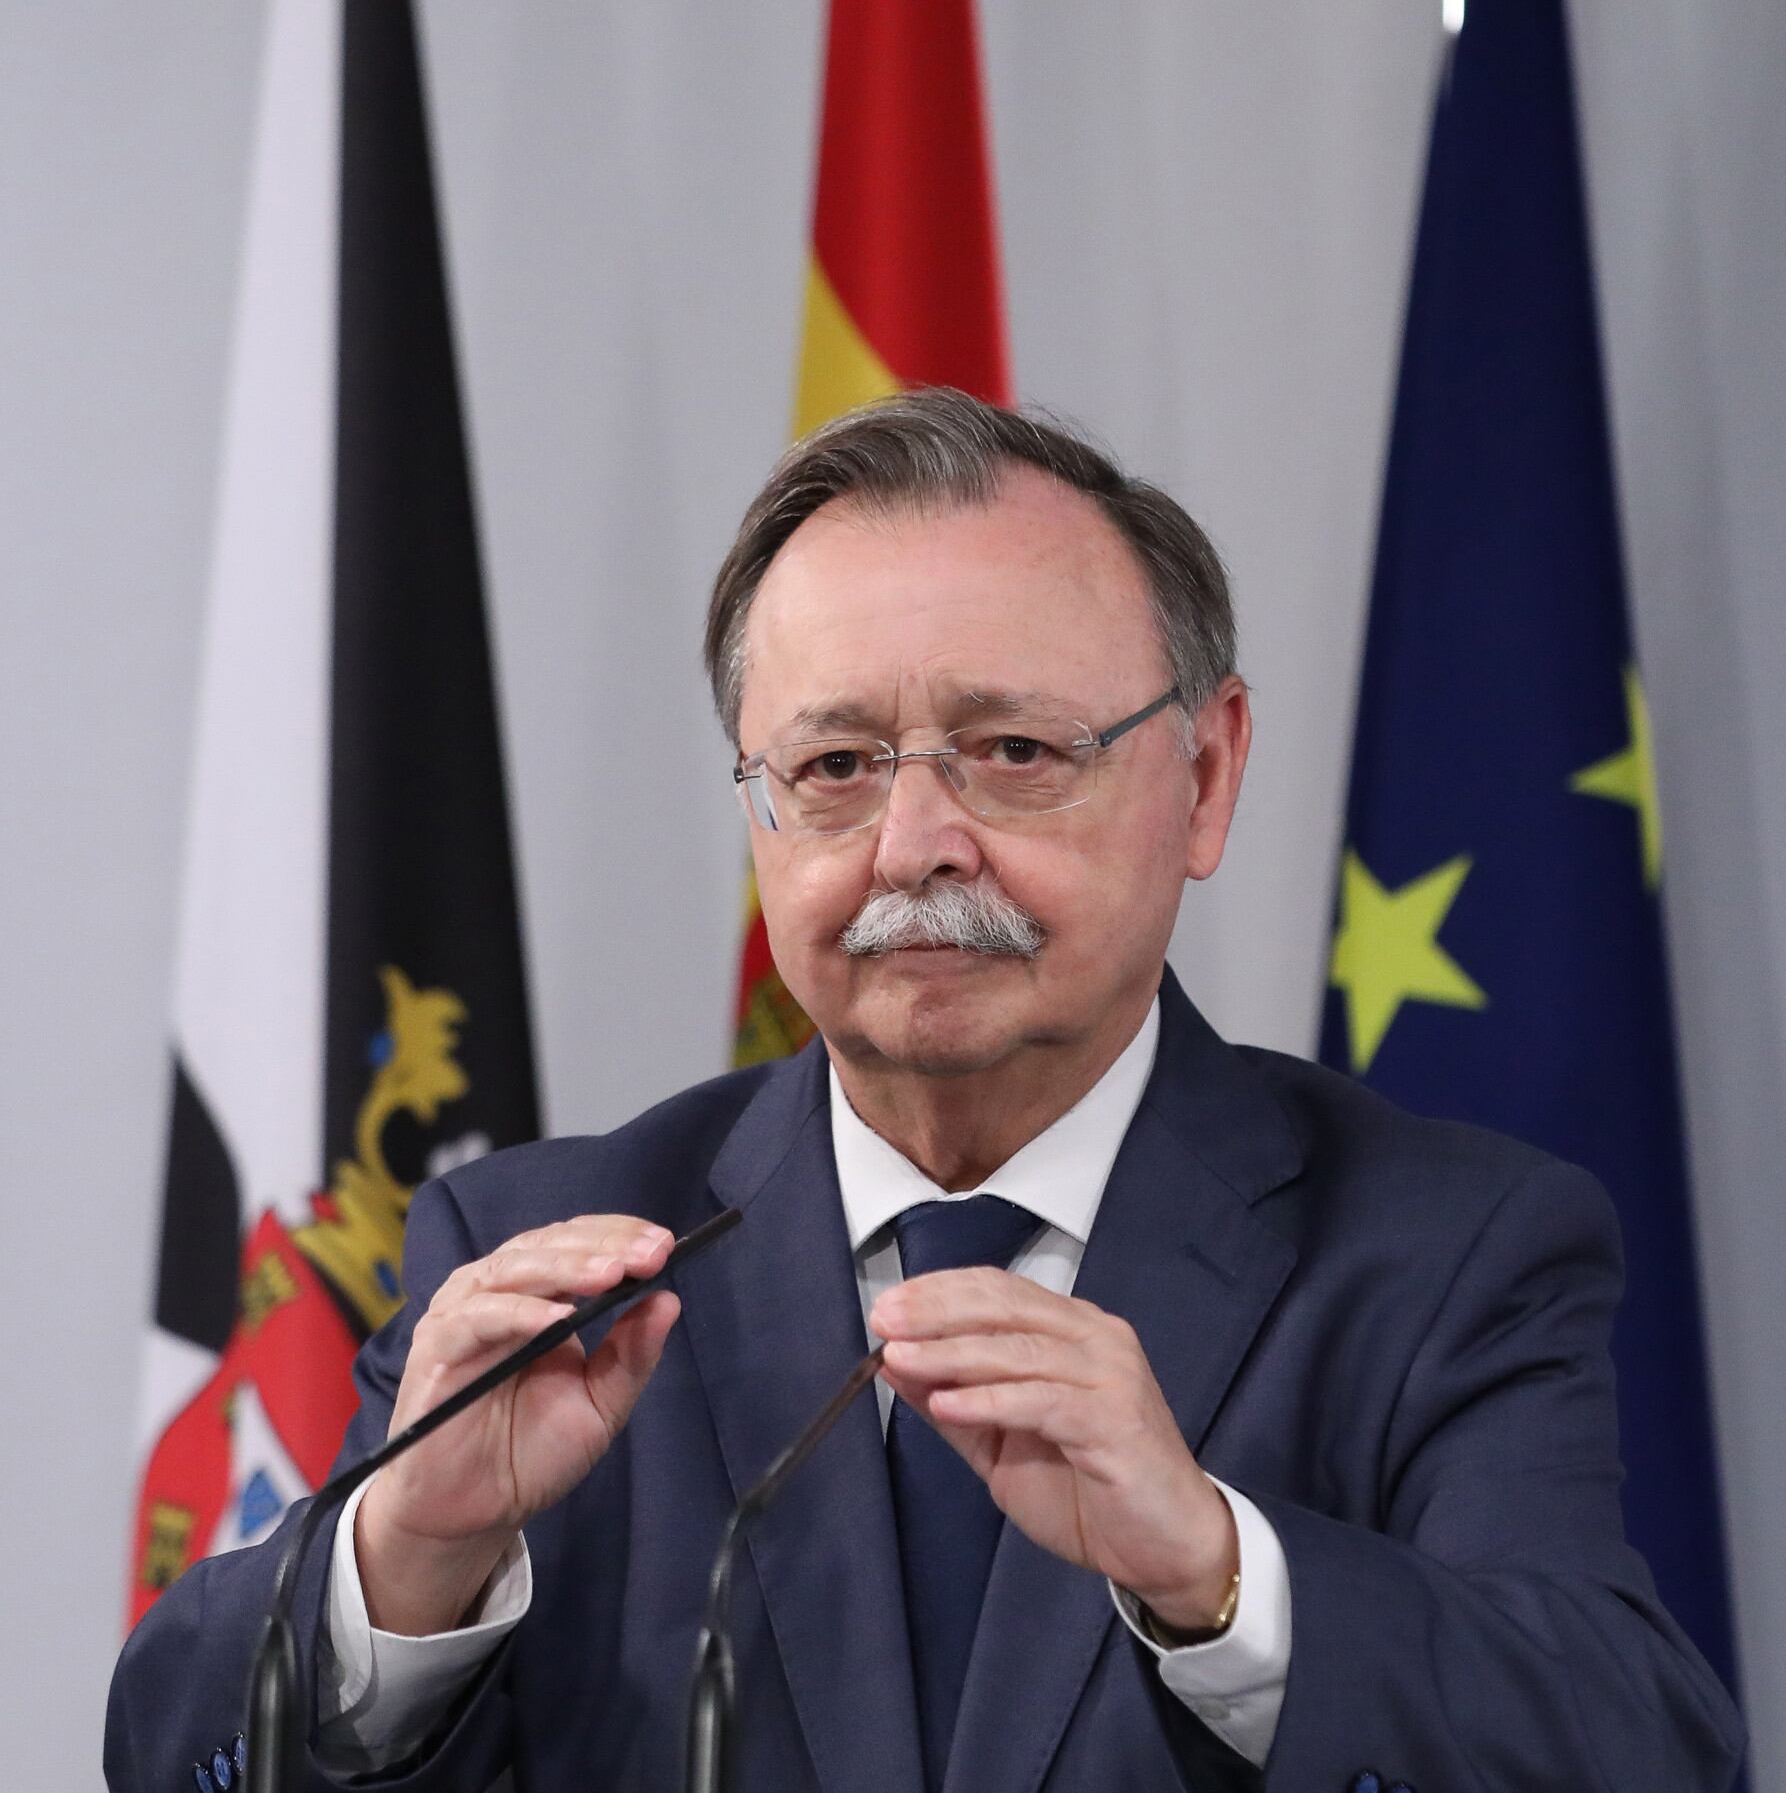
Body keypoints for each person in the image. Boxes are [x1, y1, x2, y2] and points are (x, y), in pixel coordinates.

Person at [108, 389, 1743, 1792]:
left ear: (1204, 774)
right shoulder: (546, 1249)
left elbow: (1636, 1749)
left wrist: (1215, 1572)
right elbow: (168, 1750)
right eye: (832, 768)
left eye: (1013, 752)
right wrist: (407, 1561)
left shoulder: (1445, 1249)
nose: (913, 848)